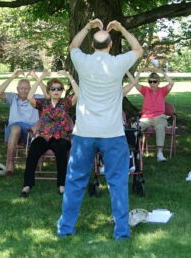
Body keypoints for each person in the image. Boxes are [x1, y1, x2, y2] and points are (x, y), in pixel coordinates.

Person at [57, 19, 142, 240]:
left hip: (84, 133)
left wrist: (87, 26)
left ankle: (66, 229)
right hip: (112, 133)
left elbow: (73, 46)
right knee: (117, 182)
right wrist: (122, 29)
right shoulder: (117, 63)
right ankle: (121, 232)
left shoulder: (82, 60)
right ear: (111, 46)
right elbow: (138, 49)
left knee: (75, 181)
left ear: (92, 46)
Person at [20, 70, 78, 197]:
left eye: (59, 88)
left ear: (62, 90)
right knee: (33, 151)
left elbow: (78, 94)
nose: (56, 91)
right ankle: (27, 185)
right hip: (44, 136)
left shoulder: (65, 103)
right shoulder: (43, 103)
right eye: (53, 88)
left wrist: (69, 76)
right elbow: (29, 97)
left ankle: (61, 185)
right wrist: (40, 78)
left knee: (61, 153)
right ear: (49, 91)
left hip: (60, 137)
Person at [0, 69, 39, 175]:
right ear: (17, 89)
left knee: (20, 129)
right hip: (13, 131)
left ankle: (28, 165)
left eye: (27, 89)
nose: (24, 91)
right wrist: (13, 77)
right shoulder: (12, 97)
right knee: (15, 128)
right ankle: (9, 164)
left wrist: (37, 78)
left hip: (30, 131)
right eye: (21, 88)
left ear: (30, 89)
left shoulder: (36, 98)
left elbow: (48, 96)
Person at [129, 68, 175, 162]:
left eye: (155, 81)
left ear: (158, 82)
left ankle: (159, 153)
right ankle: (136, 152)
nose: (152, 83)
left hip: (159, 117)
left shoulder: (162, 91)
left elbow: (171, 83)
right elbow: (134, 83)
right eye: (150, 81)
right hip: (146, 117)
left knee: (160, 127)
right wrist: (140, 71)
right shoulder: (145, 90)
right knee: (134, 127)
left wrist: (162, 73)